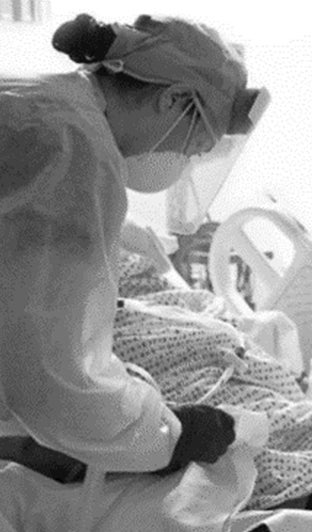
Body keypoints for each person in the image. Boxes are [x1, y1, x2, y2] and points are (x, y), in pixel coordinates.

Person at [0, 12, 265, 479]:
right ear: (175, 99)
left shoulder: (38, 98)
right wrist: (169, 435)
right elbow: (55, 378)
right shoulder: (71, 151)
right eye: (194, 146)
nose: (184, 161)